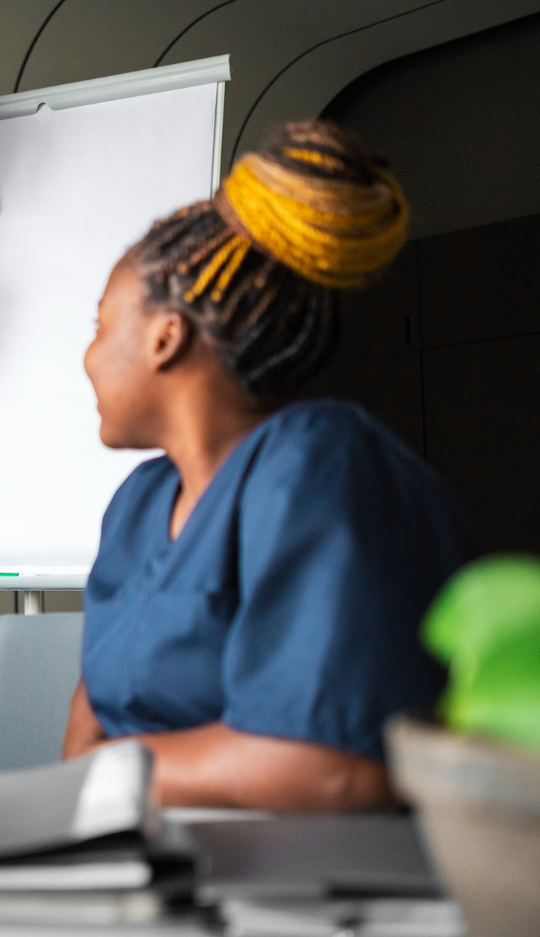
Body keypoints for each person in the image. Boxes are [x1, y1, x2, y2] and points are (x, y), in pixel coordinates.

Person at [63, 120, 480, 811]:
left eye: (101, 326)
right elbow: (80, 747)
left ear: (166, 337)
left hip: (313, 889)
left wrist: (113, 770)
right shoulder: (140, 502)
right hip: (145, 867)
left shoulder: (320, 464)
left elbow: (334, 770)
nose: (89, 356)